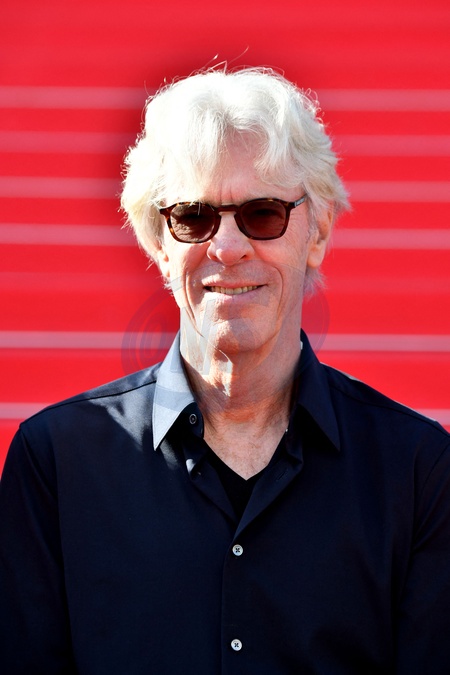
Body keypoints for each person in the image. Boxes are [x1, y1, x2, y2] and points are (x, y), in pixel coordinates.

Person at [1, 67, 449, 674]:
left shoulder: (418, 471)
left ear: (316, 233)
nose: (229, 247)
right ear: (160, 245)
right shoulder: (56, 463)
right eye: (194, 216)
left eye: (263, 213)